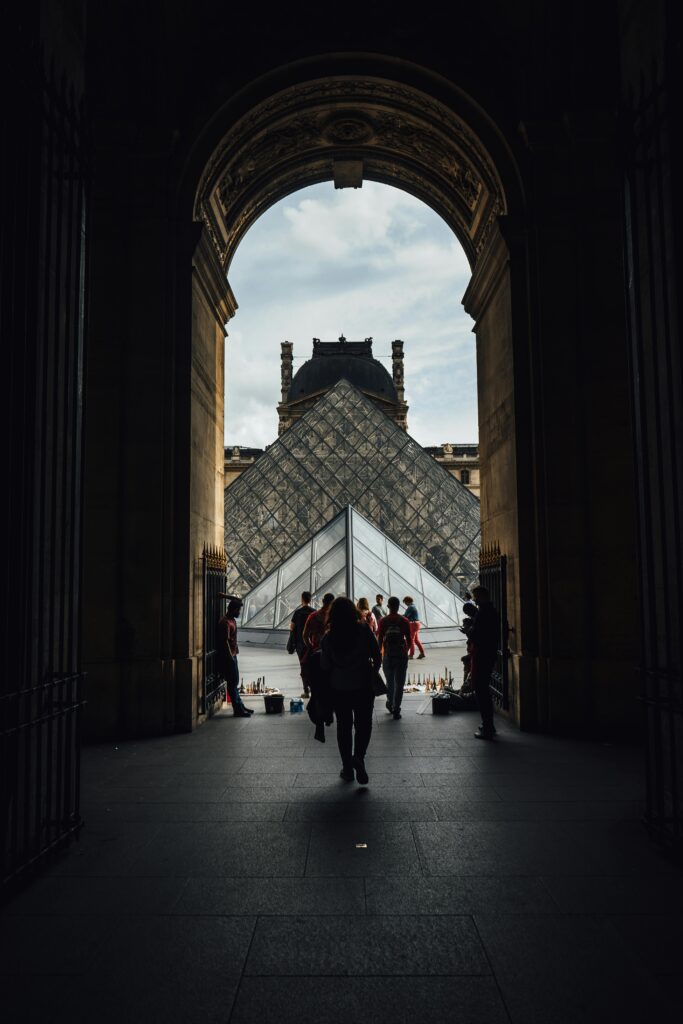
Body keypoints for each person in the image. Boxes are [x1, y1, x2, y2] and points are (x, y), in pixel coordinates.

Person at [321, 596, 380, 784]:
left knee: (344, 727)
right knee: (364, 724)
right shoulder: (364, 630)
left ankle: (347, 768)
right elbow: (377, 655)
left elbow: (324, 666)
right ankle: (359, 757)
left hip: (339, 688)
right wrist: (372, 671)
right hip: (363, 685)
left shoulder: (329, 637)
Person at [303, 592, 335, 741]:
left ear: (322, 601)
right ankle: (327, 715)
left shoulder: (313, 616)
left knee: (318, 688)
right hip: (333, 657)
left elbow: (305, 635)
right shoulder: (336, 618)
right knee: (330, 688)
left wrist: (311, 646)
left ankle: (320, 719)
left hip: (316, 655)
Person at [469, 585, 500, 739]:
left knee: (481, 689)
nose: (474, 600)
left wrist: (469, 631)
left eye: (475, 597)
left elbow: (477, 634)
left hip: (482, 655)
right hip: (489, 653)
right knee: (483, 689)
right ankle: (488, 724)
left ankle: (488, 726)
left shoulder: (483, 613)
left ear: (481, 597)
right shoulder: (492, 611)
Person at [217, 596, 252, 718]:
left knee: (235, 682)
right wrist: (230, 658)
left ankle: (240, 706)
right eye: (238, 610)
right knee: (232, 683)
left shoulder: (231, 619)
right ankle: (238, 709)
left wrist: (225, 596)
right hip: (229, 657)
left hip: (233, 654)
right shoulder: (225, 622)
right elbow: (224, 641)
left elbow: (239, 600)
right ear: (233, 610)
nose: (239, 613)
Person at [377, 595, 411, 719]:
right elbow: (409, 639)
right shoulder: (404, 621)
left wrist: (380, 655)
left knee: (390, 682)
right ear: (398, 606)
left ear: (388, 606)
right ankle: (397, 709)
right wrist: (405, 651)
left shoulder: (383, 621)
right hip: (401, 656)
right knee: (399, 684)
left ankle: (390, 703)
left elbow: (380, 639)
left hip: (388, 655)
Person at [290, 591, 316, 698]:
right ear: (310, 600)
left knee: (303, 666)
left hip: (300, 645)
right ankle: (314, 689)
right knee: (313, 666)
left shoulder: (297, 613)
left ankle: (306, 690)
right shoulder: (314, 612)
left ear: (302, 599)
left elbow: (292, 627)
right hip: (312, 644)